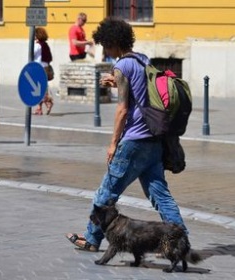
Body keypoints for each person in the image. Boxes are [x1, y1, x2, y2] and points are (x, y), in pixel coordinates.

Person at [65, 17, 188, 252]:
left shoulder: (122, 66)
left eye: (105, 45)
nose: (105, 50)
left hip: (133, 141)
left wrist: (113, 144)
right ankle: (181, 240)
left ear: (113, 42)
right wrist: (117, 84)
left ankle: (91, 239)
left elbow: (122, 109)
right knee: (160, 196)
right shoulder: (142, 60)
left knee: (106, 193)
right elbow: (141, 93)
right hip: (154, 141)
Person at [33, 27, 54, 115]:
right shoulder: (45, 45)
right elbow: (50, 58)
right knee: (41, 88)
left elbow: (31, 53)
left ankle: (48, 101)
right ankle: (39, 108)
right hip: (46, 68)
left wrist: (33, 44)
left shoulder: (37, 45)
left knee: (38, 89)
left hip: (39, 68)